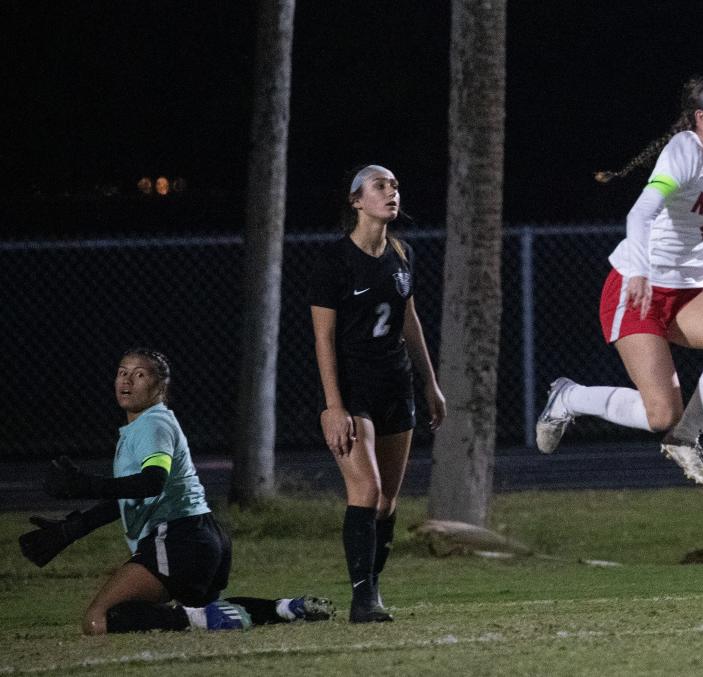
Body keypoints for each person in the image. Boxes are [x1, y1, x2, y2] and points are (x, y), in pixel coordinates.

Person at [537, 73, 703, 486]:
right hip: (635, 289)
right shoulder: (684, 150)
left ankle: (684, 438)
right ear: (702, 117)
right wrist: (640, 271)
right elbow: (640, 213)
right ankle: (569, 397)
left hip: (686, 291)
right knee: (659, 413)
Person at [18, 347, 334, 634]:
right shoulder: (146, 425)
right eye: (122, 371)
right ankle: (284, 608)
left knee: (98, 619)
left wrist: (84, 485)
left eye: (139, 374)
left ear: (160, 387)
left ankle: (199, 620)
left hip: (178, 538)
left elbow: (152, 481)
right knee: (198, 610)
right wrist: (74, 528)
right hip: (202, 537)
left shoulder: (152, 424)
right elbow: (134, 494)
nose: (126, 380)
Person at [309, 164, 446, 623]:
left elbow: (409, 321)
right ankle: (362, 599)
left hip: (396, 385)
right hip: (354, 390)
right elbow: (323, 338)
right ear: (356, 201)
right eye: (380, 186)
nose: (391, 192)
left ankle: (372, 589)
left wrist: (430, 383)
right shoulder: (334, 261)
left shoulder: (401, 253)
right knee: (365, 490)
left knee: (387, 501)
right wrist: (334, 405)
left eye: (395, 186)